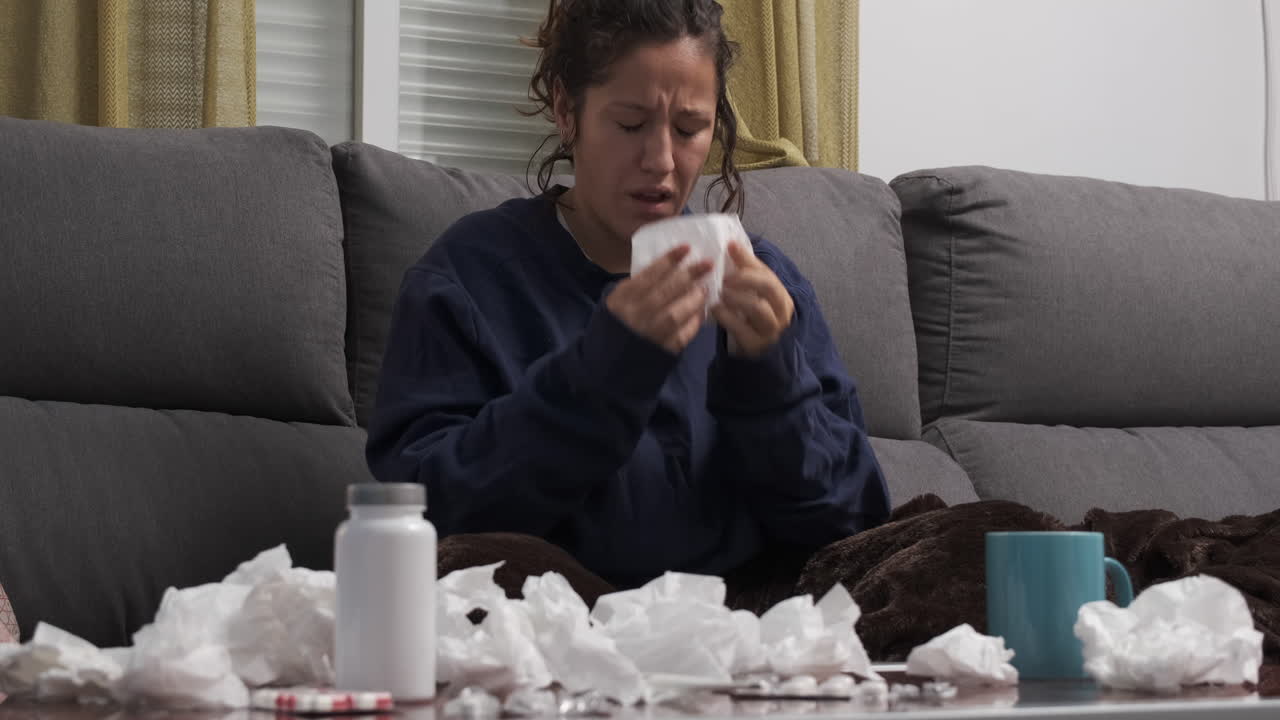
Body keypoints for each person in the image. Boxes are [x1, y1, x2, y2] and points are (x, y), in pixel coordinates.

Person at [366, 0, 890, 599]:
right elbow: (420, 517)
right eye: (631, 124)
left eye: (690, 129)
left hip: (744, 629)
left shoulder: (763, 281)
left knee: (984, 536)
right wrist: (604, 372)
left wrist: (773, 381)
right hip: (555, 623)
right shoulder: (469, 276)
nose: (662, 162)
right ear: (568, 111)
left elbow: (855, 528)